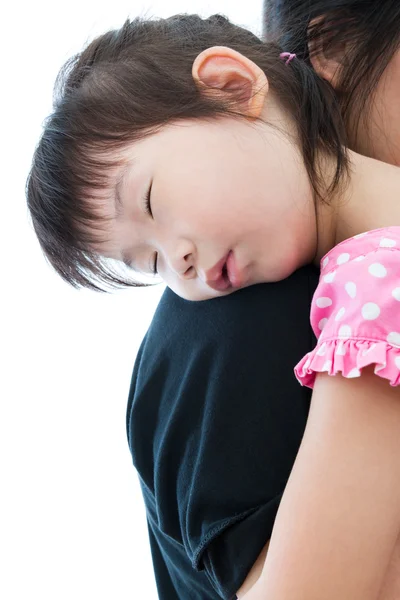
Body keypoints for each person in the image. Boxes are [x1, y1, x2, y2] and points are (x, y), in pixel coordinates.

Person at [25, 3, 400, 598]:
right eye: (148, 265)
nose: (179, 267)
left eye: (150, 203)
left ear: (232, 86)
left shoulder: (378, 288)